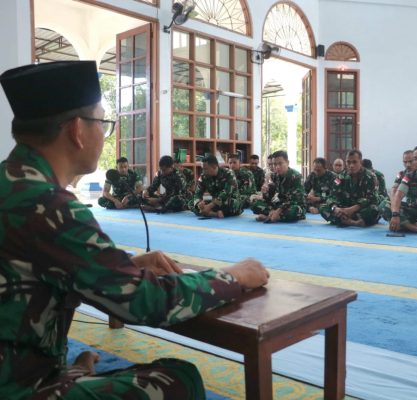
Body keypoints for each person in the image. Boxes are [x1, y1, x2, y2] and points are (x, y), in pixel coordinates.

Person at [0, 61, 269, 400]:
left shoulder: (11, 182)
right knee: (178, 379)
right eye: (103, 123)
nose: (104, 133)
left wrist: (125, 264)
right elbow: (145, 303)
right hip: (17, 389)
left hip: (18, 368)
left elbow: (36, 270)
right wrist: (232, 277)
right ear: (77, 131)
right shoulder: (50, 204)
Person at [320, 150, 380, 227]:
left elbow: (372, 198)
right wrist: (335, 208)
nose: (351, 165)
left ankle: (346, 221)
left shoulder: (370, 177)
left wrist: (351, 210)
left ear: (360, 162)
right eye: (348, 162)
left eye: (354, 162)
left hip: (360, 209)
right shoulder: (340, 177)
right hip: (344, 208)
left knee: (374, 209)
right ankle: (353, 221)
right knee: (323, 208)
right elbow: (332, 196)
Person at [250, 150, 306, 222]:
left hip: (292, 205)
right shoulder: (274, 176)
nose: (277, 167)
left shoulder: (296, 176)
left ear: (287, 162)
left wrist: (278, 210)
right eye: (275, 164)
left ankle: (273, 217)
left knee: (295, 210)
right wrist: (265, 193)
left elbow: (295, 200)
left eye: (280, 163)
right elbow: (270, 198)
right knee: (254, 203)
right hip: (278, 204)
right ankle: (273, 215)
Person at [380, 149, 414, 222]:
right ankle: (410, 226)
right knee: (384, 205)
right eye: (405, 162)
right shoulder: (401, 174)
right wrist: (394, 207)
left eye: (411, 161)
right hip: (410, 207)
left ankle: (404, 225)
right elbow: (393, 190)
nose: (408, 164)